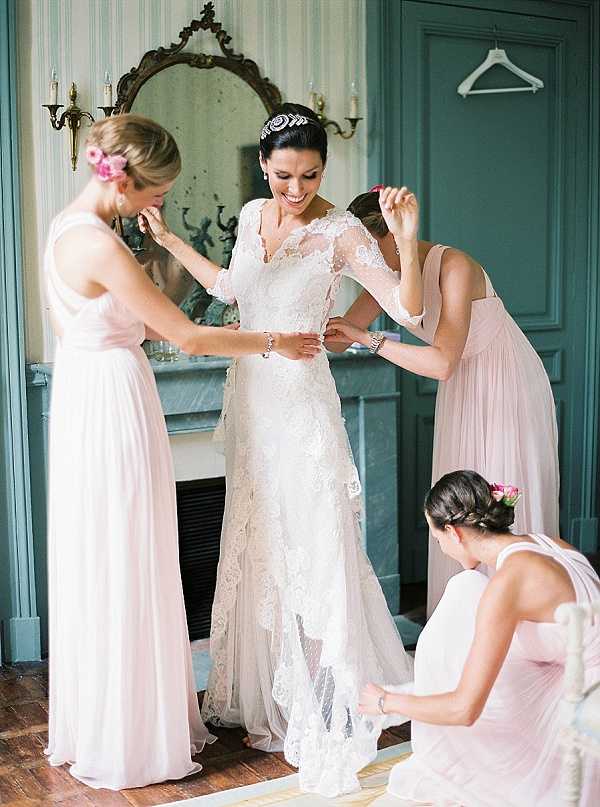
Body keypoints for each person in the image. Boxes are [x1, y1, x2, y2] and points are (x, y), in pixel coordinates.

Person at [138, 103, 422, 797]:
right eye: (284, 175)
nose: (296, 190)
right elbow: (233, 290)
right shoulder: (249, 217)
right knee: (260, 539)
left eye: (311, 175)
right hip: (254, 402)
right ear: (264, 167)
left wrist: (407, 243)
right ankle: (268, 689)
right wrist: (170, 241)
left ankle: (327, 698)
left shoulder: (342, 230)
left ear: (325, 168)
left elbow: (408, 309)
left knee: (316, 540)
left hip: (301, 405)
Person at [44, 113, 320, 791]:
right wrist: (273, 341)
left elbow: (151, 310)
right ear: (127, 178)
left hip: (90, 394)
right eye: (156, 188)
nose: (159, 200)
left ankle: (109, 719)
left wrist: (165, 249)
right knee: (129, 553)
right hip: (112, 403)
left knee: (108, 556)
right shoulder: (100, 247)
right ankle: (131, 736)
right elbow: (188, 338)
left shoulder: (63, 228)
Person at [326, 187, 559, 614]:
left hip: (504, 384)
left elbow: (440, 363)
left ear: (393, 237)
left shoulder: (454, 266)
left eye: (369, 254)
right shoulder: (387, 276)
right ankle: (465, 623)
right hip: (462, 389)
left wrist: (367, 338)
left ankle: (518, 614)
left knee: (498, 493)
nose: (366, 266)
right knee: (460, 503)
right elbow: (337, 343)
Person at [358, 470, 600, 807]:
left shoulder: (508, 584)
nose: (440, 548)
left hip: (585, 719)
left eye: (436, 537)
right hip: (577, 681)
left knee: (467, 703)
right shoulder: (551, 544)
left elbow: (465, 710)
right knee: (465, 589)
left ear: (454, 533)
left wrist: (388, 702)